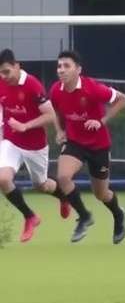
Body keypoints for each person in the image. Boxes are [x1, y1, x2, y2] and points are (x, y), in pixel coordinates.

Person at [49, 50, 125, 244]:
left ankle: (119, 214)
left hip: (98, 145)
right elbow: (56, 112)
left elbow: (124, 99)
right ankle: (84, 216)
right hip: (75, 142)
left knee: (101, 193)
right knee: (63, 177)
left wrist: (102, 120)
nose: (61, 70)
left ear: (78, 70)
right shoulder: (55, 90)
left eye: (66, 66)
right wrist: (60, 131)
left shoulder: (92, 88)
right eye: (59, 66)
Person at [0, 49, 70, 242]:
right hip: (11, 141)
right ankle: (30, 216)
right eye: (0, 73)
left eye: (6, 71)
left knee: (41, 185)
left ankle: (63, 196)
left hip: (35, 146)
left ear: (17, 66)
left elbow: (50, 115)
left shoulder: (32, 85)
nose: (3, 77)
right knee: (3, 179)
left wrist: (25, 126)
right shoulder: (1, 84)